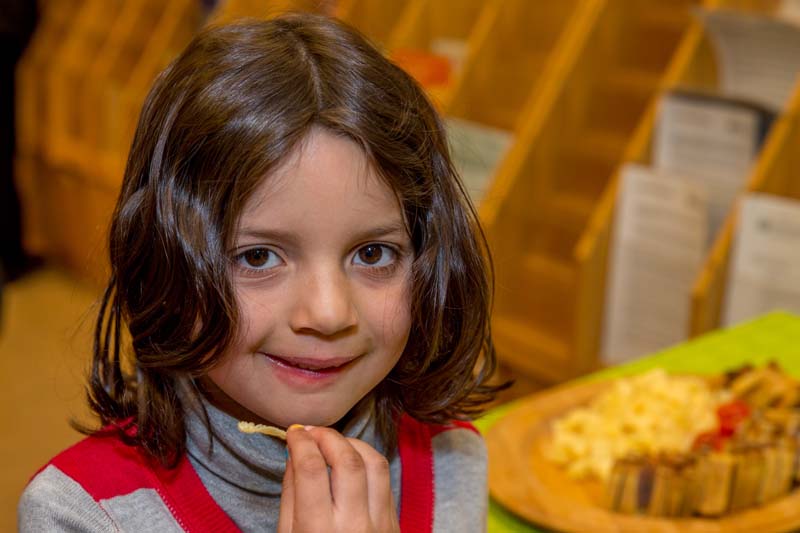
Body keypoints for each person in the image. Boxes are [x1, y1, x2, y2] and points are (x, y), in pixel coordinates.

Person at [18, 12, 504, 532]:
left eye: (372, 254)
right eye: (258, 257)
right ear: (165, 263)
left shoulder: (453, 461)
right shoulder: (80, 514)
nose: (328, 313)